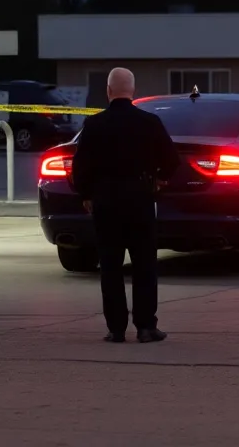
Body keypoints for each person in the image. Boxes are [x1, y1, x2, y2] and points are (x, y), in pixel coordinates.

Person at [71, 67, 179, 343]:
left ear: (108, 91)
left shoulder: (94, 125)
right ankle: (145, 327)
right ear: (133, 92)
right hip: (140, 199)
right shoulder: (150, 122)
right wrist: (160, 180)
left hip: (106, 202)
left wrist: (86, 194)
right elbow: (171, 161)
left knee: (110, 266)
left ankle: (116, 328)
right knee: (144, 265)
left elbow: (80, 166)